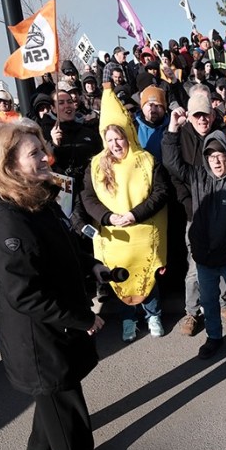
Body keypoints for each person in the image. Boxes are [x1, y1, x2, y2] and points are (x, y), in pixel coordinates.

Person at [0, 120, 113, 450]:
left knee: (53, 391)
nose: (45, 156)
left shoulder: (37, 196)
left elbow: (64, 246)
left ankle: (41, 442)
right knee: (62, 394)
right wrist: (83, 318)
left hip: (56, 322)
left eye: (42, 149)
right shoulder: (4, 218)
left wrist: (91, 265)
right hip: (38, 334)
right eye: (34, 152)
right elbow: (25, 293)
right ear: (9, 165)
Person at [163, 124, 226, 362]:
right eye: (211, 156)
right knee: (209, 302)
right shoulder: (197, 176)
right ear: (205, 158)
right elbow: (171, 162)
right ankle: (214, 338)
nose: (217, 161)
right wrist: (172, 130)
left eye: (221, 155)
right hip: (204, 258)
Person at [81, 122, 169, 342]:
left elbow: (160, 192)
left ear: (128, 136)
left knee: (146, 276)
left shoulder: (147, 160)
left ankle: (153, 315)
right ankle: (128, 319)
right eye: (109, 140)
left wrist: (134, 215)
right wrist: (107, 217)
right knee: (120, 278)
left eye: (118, 138)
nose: (115, 144)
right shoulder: (96, 165)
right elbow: (87, 197)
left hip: (142, 233)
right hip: (114, 236)